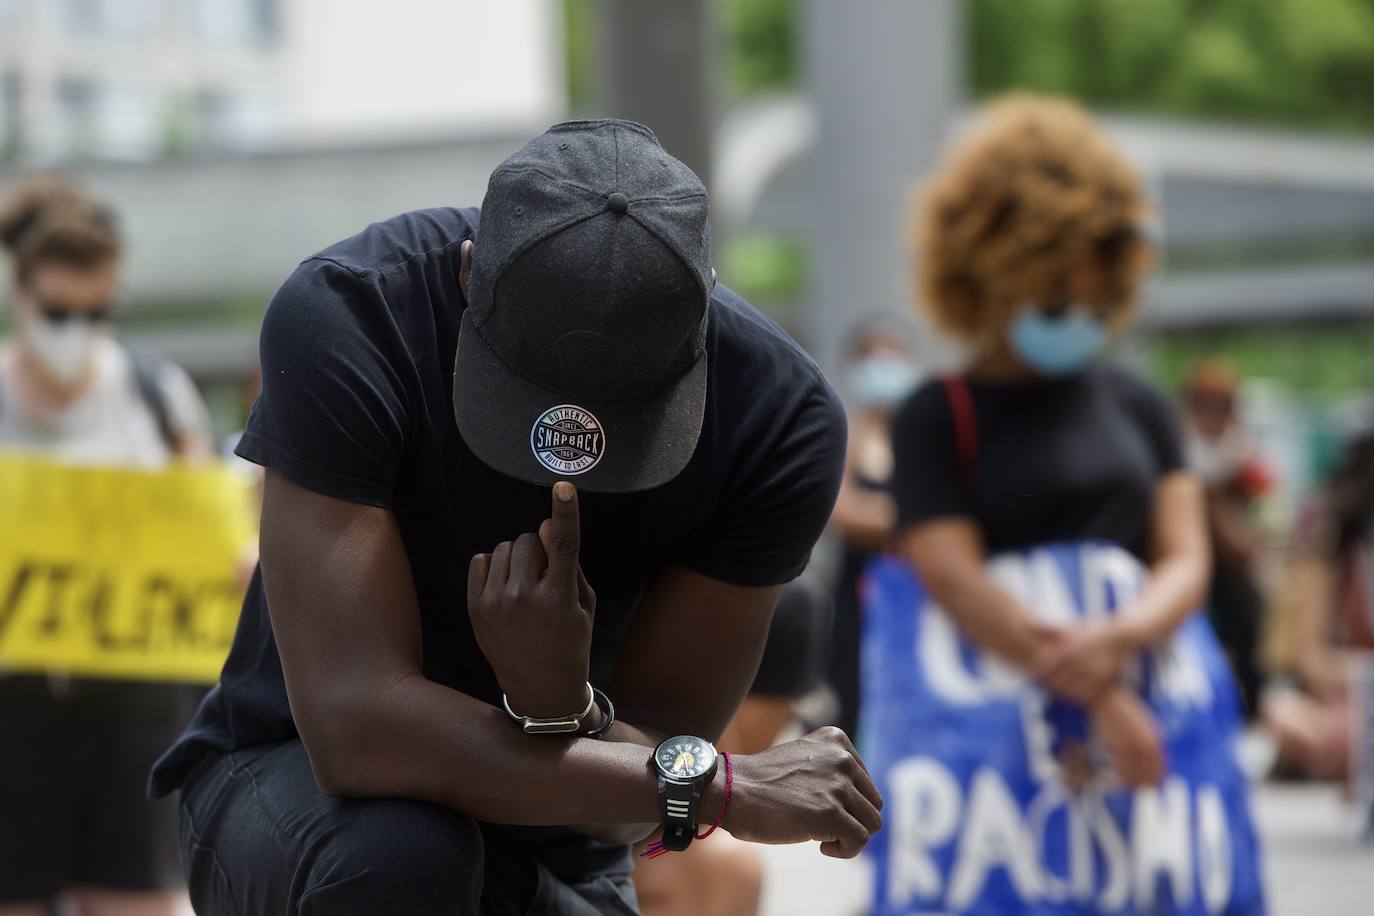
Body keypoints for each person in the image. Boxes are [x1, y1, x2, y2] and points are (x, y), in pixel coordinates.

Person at [150, 119, 882, 916]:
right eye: (528, 401)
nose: (565, 475)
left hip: (558, 835)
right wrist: (713, 783)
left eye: (623, 423)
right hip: (292, 791)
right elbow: (354, 731)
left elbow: (635, 805)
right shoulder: (356, 314)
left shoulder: (777, 419)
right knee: (405, 855)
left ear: (697, 321)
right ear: (469, 276)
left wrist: (565, 707)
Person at [894, 94, 1210, 791]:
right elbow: (951, 575)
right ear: (992, 278)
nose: (1081, 324)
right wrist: (1096, 690)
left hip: (1152, 696)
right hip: (995, 729)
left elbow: (1186, 554)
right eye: (1058, 304)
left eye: (1100, 306)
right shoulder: (936, 413)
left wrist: (1124, 638)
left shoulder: (1138, 401)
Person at [0, 178, 213, 916]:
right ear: (20, 292)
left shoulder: (156, 395)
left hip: (137, 710)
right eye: (58, 313)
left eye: (98, 312)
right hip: (12, 711)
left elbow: (207, 536)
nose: (76, 331)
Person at [1263, 423, 1374, 779]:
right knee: (1284, 713)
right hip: (1344, 701)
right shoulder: (1327, 563)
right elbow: (1311, 661)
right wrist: (1360, 674)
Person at [826, 319, 919, 739]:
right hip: (859, 600)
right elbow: (839, 512)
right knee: (858, 703)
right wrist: (916, 520)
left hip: (923, 596)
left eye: (893, 355)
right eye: (872, 357)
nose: (884, 367)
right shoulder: (841, 432)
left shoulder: (923, 434)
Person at [1182, 358, 1272, 716]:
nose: (1211, 414)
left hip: (1233, 575)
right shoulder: (1178, 451)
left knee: (1246, 642)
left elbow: (1254, 535)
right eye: (1203, 404)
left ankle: (1249, 710)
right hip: (1193, 571)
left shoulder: (1245, 461)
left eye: (1220, 405)